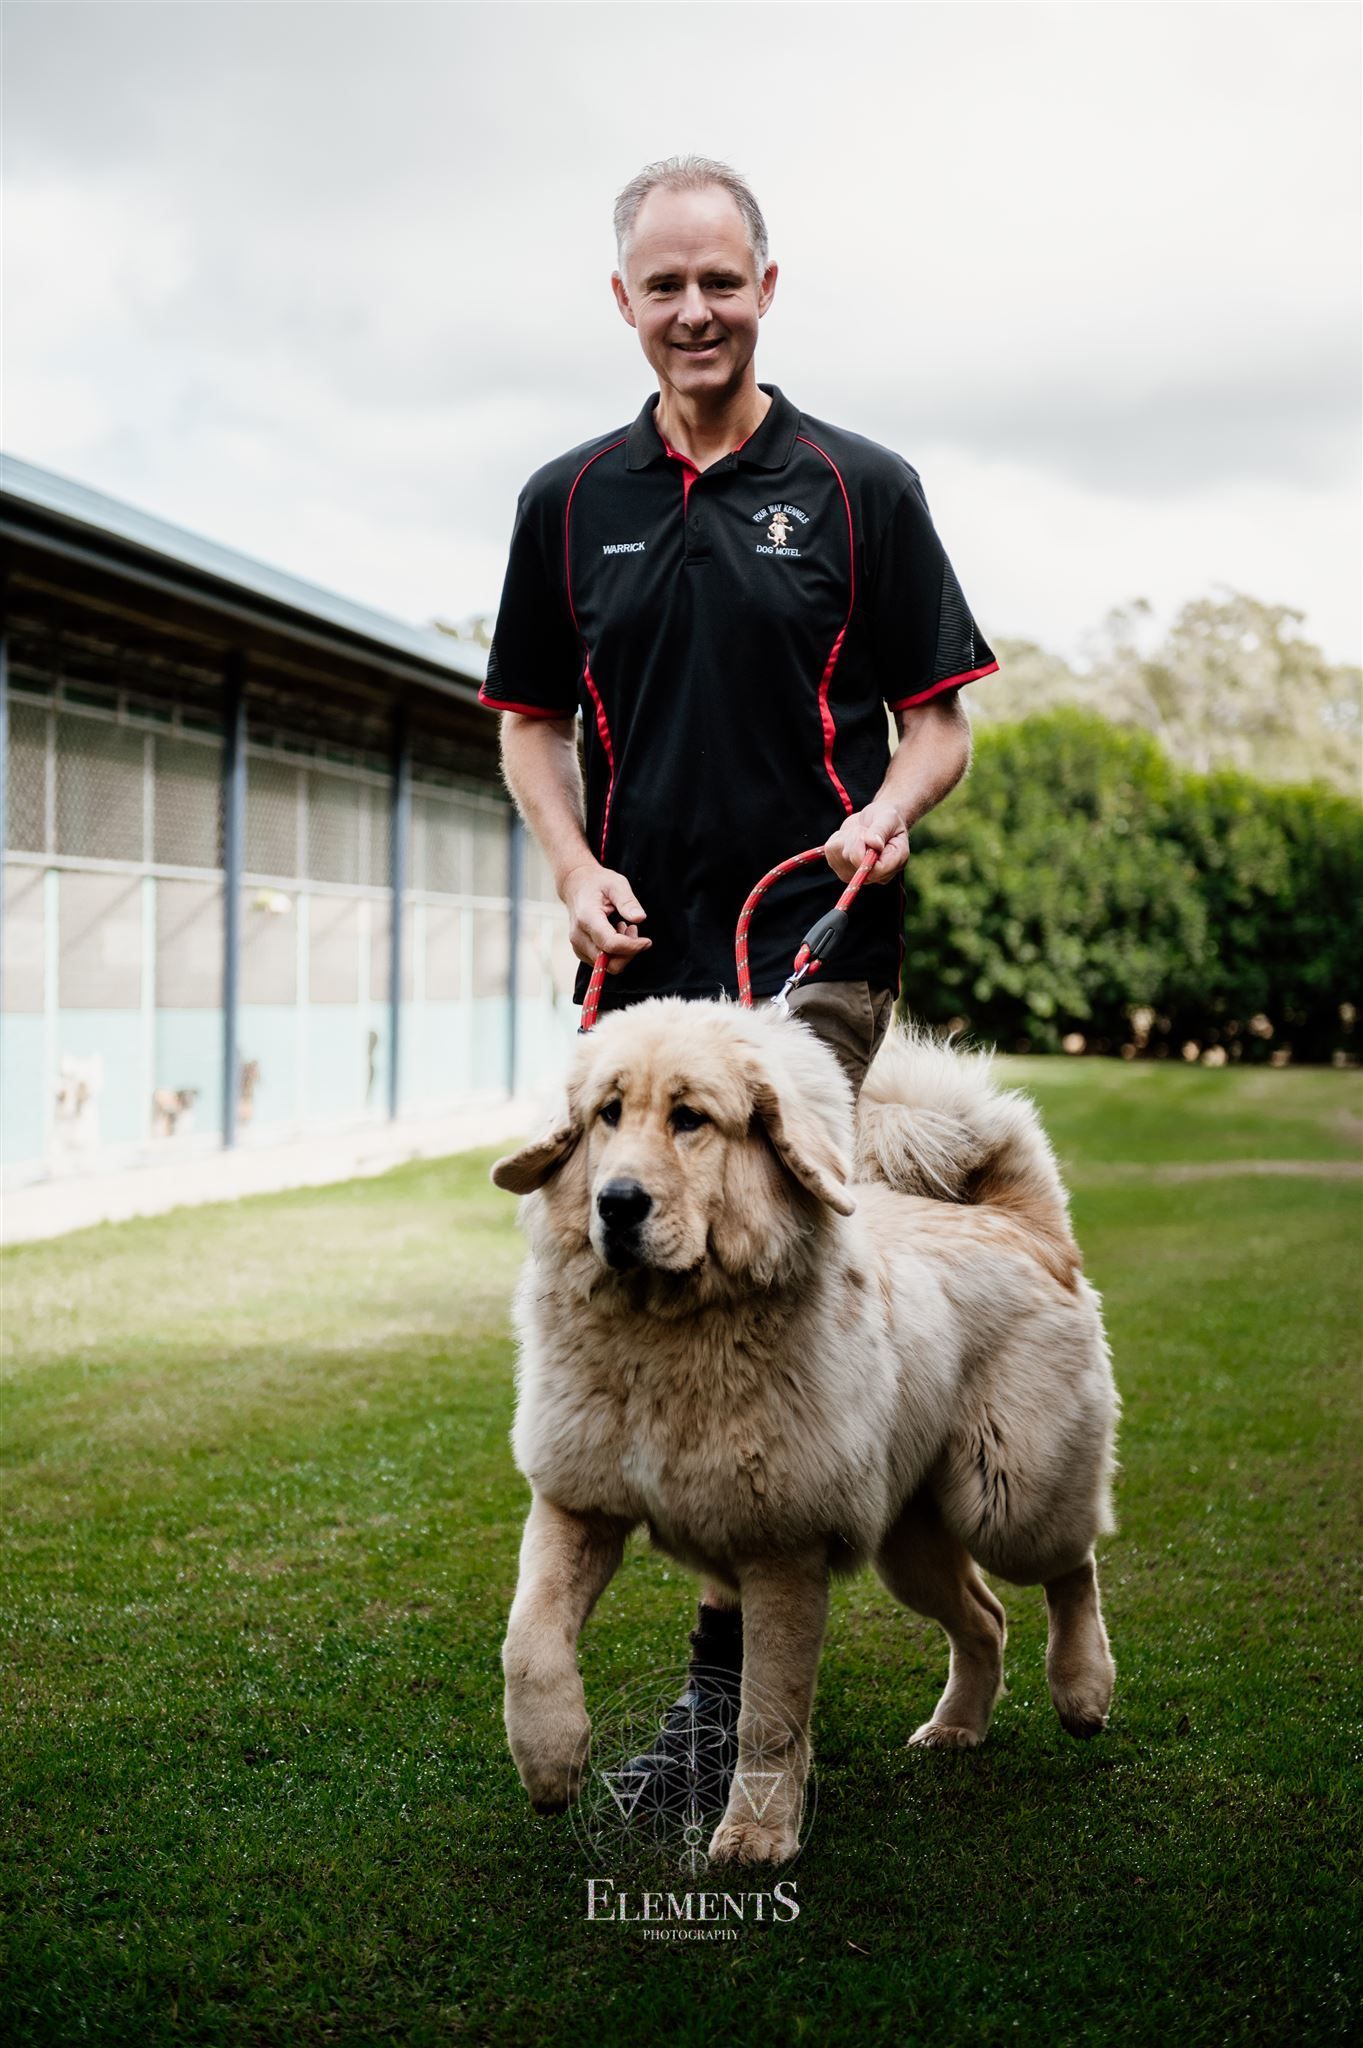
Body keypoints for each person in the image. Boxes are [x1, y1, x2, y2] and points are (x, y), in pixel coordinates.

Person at [479, 155, 998, 1811]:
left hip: (819, 953)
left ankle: (730, 1708)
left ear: (768, 288)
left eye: (721, 280)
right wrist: (571, 867)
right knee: (630, 1293)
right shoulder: (566, 501)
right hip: (642, 965)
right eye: (662, 285)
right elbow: (528, 727)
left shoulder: (863, 487)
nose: (693, 311)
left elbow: (940, 723)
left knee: (764, 1305)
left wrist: (890, 814)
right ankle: (661, 1622)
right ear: (622, 304)